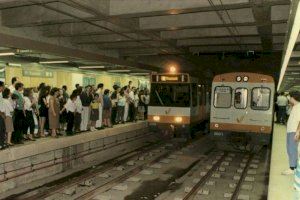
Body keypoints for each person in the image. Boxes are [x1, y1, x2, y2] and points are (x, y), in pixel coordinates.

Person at [282, 91, 300, 175]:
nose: (289, 99)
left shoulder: (299, 107)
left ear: (293, 98)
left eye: (290, 97)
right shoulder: (295, 106)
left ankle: (292, 168)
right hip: (290, 131)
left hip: (294, 131)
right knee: (290, 149)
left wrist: (298, 132)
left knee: (292, 149)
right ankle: (294, 166)